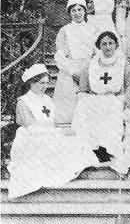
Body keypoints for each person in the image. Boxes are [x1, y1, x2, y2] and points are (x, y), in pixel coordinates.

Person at [8, 64, 97, 199]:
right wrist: (58, 133)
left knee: (75, 139)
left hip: (47, 133)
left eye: (46, 83)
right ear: (31, 83)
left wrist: (58, 132)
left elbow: (51, 123)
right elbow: (30, 128)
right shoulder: (23, 101)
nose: (44, 86)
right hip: (30, 138)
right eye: (40, 83)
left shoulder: (47, 100)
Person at [72, 31, 130, 164]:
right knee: (86, 109)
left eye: (111, 43)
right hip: (95, 99)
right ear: (99, 46)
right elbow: (83, 88)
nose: (107, 47)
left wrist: (126, 101)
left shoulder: (124, 65)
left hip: (116, 98)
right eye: (104, 44)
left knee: (111, 111)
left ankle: (107, 148)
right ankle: (93, 148)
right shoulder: (91, 64)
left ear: (116, 45)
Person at [53, 0, 97, 124]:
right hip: (70, 69)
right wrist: (72, 72)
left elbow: (97, 52)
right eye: (74, 11)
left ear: (85, 11)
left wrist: (91, 68)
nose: (77, 13)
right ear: (69, 13)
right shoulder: (65, 30)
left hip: (88, 67)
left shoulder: (93, 29)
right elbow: (60, 55)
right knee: (68, 105)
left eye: (80, 10)